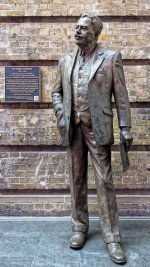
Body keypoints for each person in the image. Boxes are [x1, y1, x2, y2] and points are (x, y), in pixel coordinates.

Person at [52, 13, 133, 264]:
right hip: (72, 128)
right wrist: (62, 115)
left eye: (83, 28)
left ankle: (112, 236)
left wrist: (125, 127)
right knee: (76, 178)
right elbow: (56, 93)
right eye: (76, 27)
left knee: (105, 180)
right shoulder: (65, 60)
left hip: (98, 128)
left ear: (95, 33)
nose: (77, 31)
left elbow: (121, 97)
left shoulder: (110, 59)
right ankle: (79, 227)